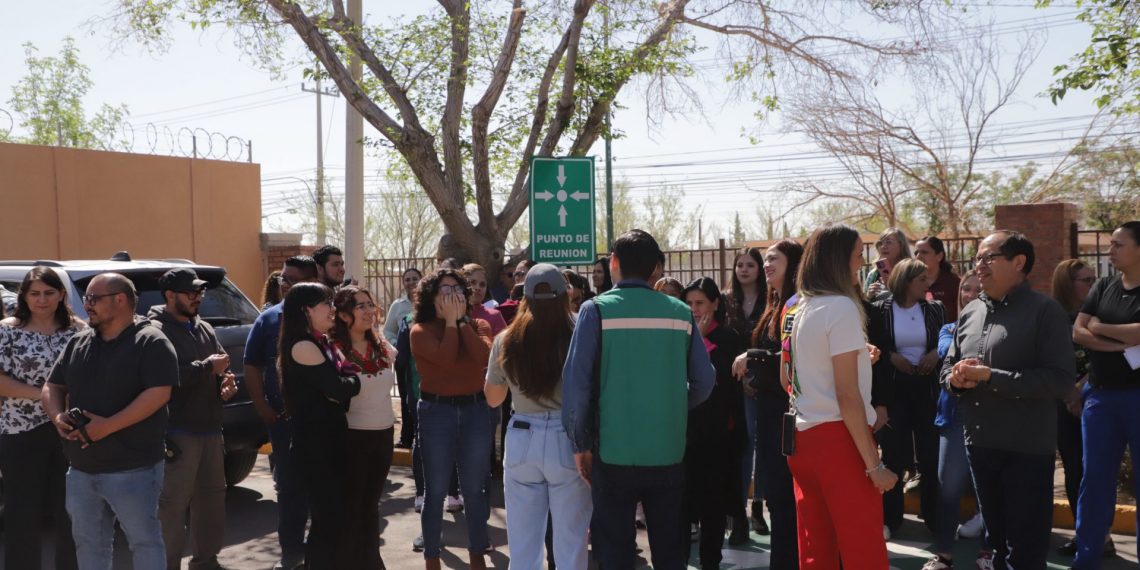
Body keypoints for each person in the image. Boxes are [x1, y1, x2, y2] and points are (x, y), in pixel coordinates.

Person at [563, 229, 715, 569]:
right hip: (667, 451)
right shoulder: (680, 313)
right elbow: (704, 382)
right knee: (670, 552)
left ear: (614, 263)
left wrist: (580, 444)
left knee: (615, 552)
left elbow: (576, 387)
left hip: (612, 453)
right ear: (655, 268)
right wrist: (672, 404)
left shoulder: (595, 310)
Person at [942, 230, 1075, 570]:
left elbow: (1060, 381)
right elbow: (947, 367)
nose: (979, 265)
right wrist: (955, 380)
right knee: (996, 547)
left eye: (989, 257)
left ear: (1019, 263)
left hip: (1026, 448)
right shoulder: (971, 311)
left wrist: (990, 376)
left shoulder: (1045, 311)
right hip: (980, 443)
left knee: (1025, 550)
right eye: (978, 258)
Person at [43, 273, 177, 569]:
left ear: (120, 300)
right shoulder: (78, 342)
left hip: (134, 469)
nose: (86, 305)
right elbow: (53, 385)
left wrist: (107, 426)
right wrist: (57, 416)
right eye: (86, 298)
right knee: (89, 544)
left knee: (144, 542)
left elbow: (159, 393)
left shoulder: (151, 341)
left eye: (93, 298)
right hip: (81, 470)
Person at [785, 224, 898, 569]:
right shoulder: (841, 307)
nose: (862, 263)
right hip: (839, 440)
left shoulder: (797, 307)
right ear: (838, 260)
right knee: (863, 550)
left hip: (802, 439)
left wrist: (859, 357)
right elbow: (847, 395)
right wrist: (874, 465)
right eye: (858, 255)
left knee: (815, 549)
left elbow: (788, 376)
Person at [484, 263, 592, 569]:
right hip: (568, 439)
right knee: (571, 542)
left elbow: (493, 398)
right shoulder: (580, 332)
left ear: (524, 297)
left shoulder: (506, 339)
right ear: (566, 294)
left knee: (523, 545)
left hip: (522, 437)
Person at [150, 268, 238, 570]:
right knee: (172, 507)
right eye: (191, 292)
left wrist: (226, 382)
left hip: (210, 429)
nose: (198, 297)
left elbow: (222, 365)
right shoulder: (154, 330)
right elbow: (163, 377)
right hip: (176, 432)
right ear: (169, 295)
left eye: (200, 292)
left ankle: (206, 562)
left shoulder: (203, 327)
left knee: (212, 500)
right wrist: (207, 368)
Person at [411, 269, 495, 570]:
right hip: (437, 412)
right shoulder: (420, 330)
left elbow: (482, 357)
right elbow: (445, 360)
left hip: (475, 410)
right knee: (435, 491)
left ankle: (477, 555)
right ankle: (432, 557)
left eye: (457, 289)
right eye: (445, 290)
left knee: (474, 490)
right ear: (431, 297)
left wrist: (460, 322)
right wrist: (449, 322)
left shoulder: (479, 325)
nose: (453, 296)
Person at [0, 266, 84, 570]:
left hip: (68, 430)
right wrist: (47, 396)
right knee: (22, 512)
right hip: (19, 431)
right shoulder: (7, 330)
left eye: (49, 293)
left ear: (61, 295)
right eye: (34, 293)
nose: (42, 300)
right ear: (23, 296)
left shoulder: (78, 331)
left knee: (72, 510)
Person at [243, 255, 320, 570]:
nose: (284, 284)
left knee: (323, 487)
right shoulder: (268, 318)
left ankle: (321, 550)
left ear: (311, 281)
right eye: (282, 278)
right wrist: (261, 405)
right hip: (284, 422)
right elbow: (251, 365)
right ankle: (291, 551)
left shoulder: (327, 317)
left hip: (324, 422)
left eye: (292, 280)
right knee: (290, 488)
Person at [1071, 221, 1140, 569]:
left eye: (1118, 244)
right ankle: (1086, 559)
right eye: (1111, 244)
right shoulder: (1103, 286)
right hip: (1100, 398)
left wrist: (1100, 327)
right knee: (1095, 480)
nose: (1110, 250)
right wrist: (1116, 344)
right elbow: (1078, 331)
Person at [731, 239, 803, 569]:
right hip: (771, 413)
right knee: (778, 498)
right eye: (767, 259)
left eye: (775, 259)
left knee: (786, 499)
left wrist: (754, 357)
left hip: (790, 417)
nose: (767, 264)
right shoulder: (776, 304)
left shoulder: (798, 304)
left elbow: (794, 357)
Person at [278, 283, 361, 569]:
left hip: (331, 438)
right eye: (326, 303)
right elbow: (341, 387)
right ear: (306, 311)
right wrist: (350, 382)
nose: (332, 309)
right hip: (315, 445)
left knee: (334, 518)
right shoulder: (303, 346)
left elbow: (342, 386)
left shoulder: (322, 342)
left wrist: (346, 384)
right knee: (327, 520)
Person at [872, 258, 945, 536]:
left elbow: (947, 339)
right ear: (906, 281)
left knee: (930, 455)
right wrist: (891, 357)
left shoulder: (934, 308)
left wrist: (935, 353)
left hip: (927, 388)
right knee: (894, 455)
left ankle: (934, 517)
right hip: (894, 389)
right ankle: (891, 519)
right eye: (921, 280)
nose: (928, 284)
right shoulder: (881, 309)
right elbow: (874, 345)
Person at [926, 273, 991, 570]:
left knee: (988, 490)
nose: (971, 293)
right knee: (948, 489)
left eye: (978, 289)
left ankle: (988, 553)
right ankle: (943, 556)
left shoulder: (998, 329)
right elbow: (945, 352)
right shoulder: (949, 328)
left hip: (990, 418)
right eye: (966, 288)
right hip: (953, 418)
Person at [682, 276, 747, 570]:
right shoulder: (680, 334)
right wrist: (693, 338)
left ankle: (711, 561)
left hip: (717, 435)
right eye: (689, 303)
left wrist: (699, 341)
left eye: (700, 303)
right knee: (683, 506)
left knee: (713, 506)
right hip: (684, 434)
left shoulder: (728, 337)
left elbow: (721, 382)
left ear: (715, 304)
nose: (694, 309)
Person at [331, 285, 395, 568]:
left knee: (370, 505)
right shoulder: (333, 349)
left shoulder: (382, 346)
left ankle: (371, 561)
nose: (370, 311)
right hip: (352, 435)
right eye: (361, 306)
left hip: (383, 432)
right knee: (352, 506)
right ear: (344, 316)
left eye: (370, 304)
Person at [1052, 259, 1100, 557]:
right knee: (1073, 469)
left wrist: (1080, 389)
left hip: (1096, 399)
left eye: (1093, 279)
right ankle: (1084, 534)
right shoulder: (1052, 316)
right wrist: (1068, 393)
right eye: (1086, 280)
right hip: (1063, 402)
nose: (1092, 285)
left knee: (1094, 471)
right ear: (1067, 284)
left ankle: (1100, 536)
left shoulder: (1101, 314)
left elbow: (1112, 357)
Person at [727, 245, 771, 538]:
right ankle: (738, 510)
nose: (744, 270)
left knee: (764, 444)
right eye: (740, 265)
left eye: (750, 265)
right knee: (742, 446)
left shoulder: (771, 299)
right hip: (734, 381)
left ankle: (758, 506)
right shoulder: (725, 300)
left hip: (766, 381)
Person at [387, 267, 424, 449]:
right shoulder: (397, 306)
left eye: (414, 278)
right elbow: (388, 331)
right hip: (404, 359)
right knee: (406, 396)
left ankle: (422, 434)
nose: (411, 282)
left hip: (424, 358)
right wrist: (398, 345)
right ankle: (406, 437)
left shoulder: (428, 303)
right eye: (407, 279)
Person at [915, 236, 961, 322]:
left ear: (939, 256)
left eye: (924, 252)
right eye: (916, 253)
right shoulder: (910, 282)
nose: (918, 257)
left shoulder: (954, 283)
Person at [865, 227, 912, 299]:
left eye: (888, 242)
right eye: (880, 243)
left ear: (901, 245)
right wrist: (869, 296)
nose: (883, 247)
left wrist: (893, 286)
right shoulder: (873, 274)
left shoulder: (911, 271)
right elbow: (862, 302)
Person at [463, 263, 508, 337]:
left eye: (482, 284)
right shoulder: (452, 314)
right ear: (462, 285)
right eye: (472, 282)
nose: (478, 288)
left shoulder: (495, 316)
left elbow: (503, 344)